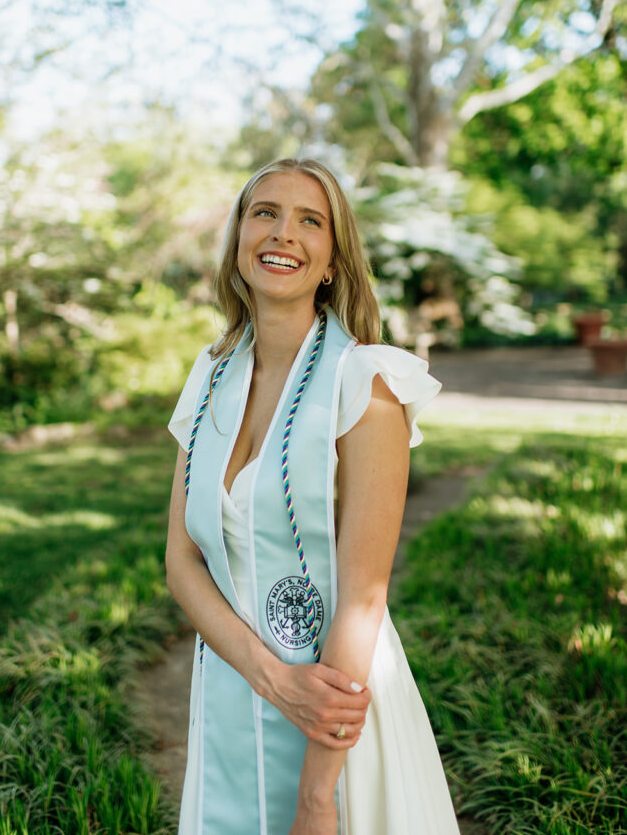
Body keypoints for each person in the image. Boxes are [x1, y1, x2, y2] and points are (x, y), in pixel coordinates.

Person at [165, 157, 460, 835]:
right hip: (232, 691)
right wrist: (269, 679)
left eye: (309, 220)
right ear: (239, 238)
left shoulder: (365, 384)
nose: (282, 234)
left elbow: (362, 597)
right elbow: (181, 562)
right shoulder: (208, 379)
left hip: (338, 713)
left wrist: (316, 797)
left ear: (332, 259)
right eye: (264, 212)